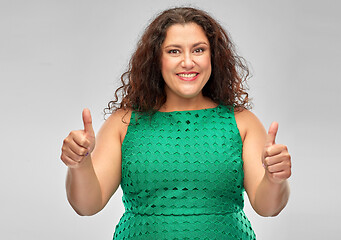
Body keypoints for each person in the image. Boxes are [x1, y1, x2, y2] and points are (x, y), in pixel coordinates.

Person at [60, 7, 291, 240]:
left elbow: (268, 208)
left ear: (213, 56)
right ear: (156, 59)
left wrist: (275, 179)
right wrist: (79, 164)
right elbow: (87, 206)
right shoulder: (123, 123)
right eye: (174, 51)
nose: (188, 62)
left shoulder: (242, 123)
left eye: (198, 50)